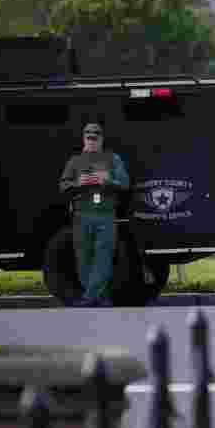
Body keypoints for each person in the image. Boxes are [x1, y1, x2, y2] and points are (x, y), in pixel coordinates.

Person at [58, 122, 130, 306]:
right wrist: (78, 183)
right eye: (88, 137)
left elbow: (124, 183)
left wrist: (108, 180)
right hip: (82, 214)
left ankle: (90, 297)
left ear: (101, 139)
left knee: (103, 256)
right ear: (83, 139)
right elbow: (63, 186)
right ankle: (100, 295)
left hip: (105, 213)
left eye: (95, 137)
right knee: (83, 256)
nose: (91, 140)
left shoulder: (113, 159)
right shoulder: (75, 161)